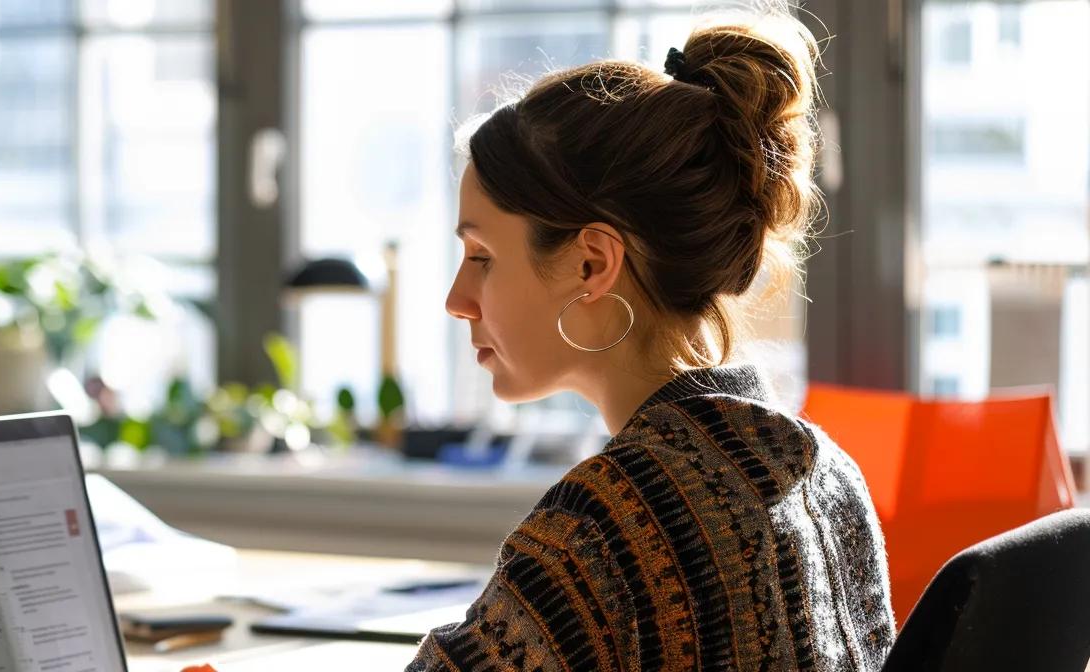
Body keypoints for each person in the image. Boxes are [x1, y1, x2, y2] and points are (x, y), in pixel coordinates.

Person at [190, 4, 892, 672]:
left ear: (592, 263)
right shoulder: (826, 476)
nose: (456, 300)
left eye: (482, 257)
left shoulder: (603, 529)